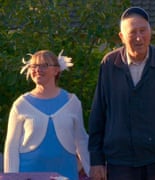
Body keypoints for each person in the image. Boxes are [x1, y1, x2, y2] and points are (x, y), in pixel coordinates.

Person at [88, 7, 155, 180]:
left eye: (143, 31)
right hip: (119, 162)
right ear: (121, 37)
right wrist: (96, 160)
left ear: (151, 31)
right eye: (132, 32)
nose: (139, 38)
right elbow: (99, 113)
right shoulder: (109, 64)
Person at [4, 50, 90, 179]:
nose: (37, 69)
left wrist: (91, 170)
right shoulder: (21, 104)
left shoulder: (72, 102)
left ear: (56, 70)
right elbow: (11, 146)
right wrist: (11, 177)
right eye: (33, 66)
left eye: (44, 65)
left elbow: (81, 140)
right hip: (30, 174)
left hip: (65, 172)